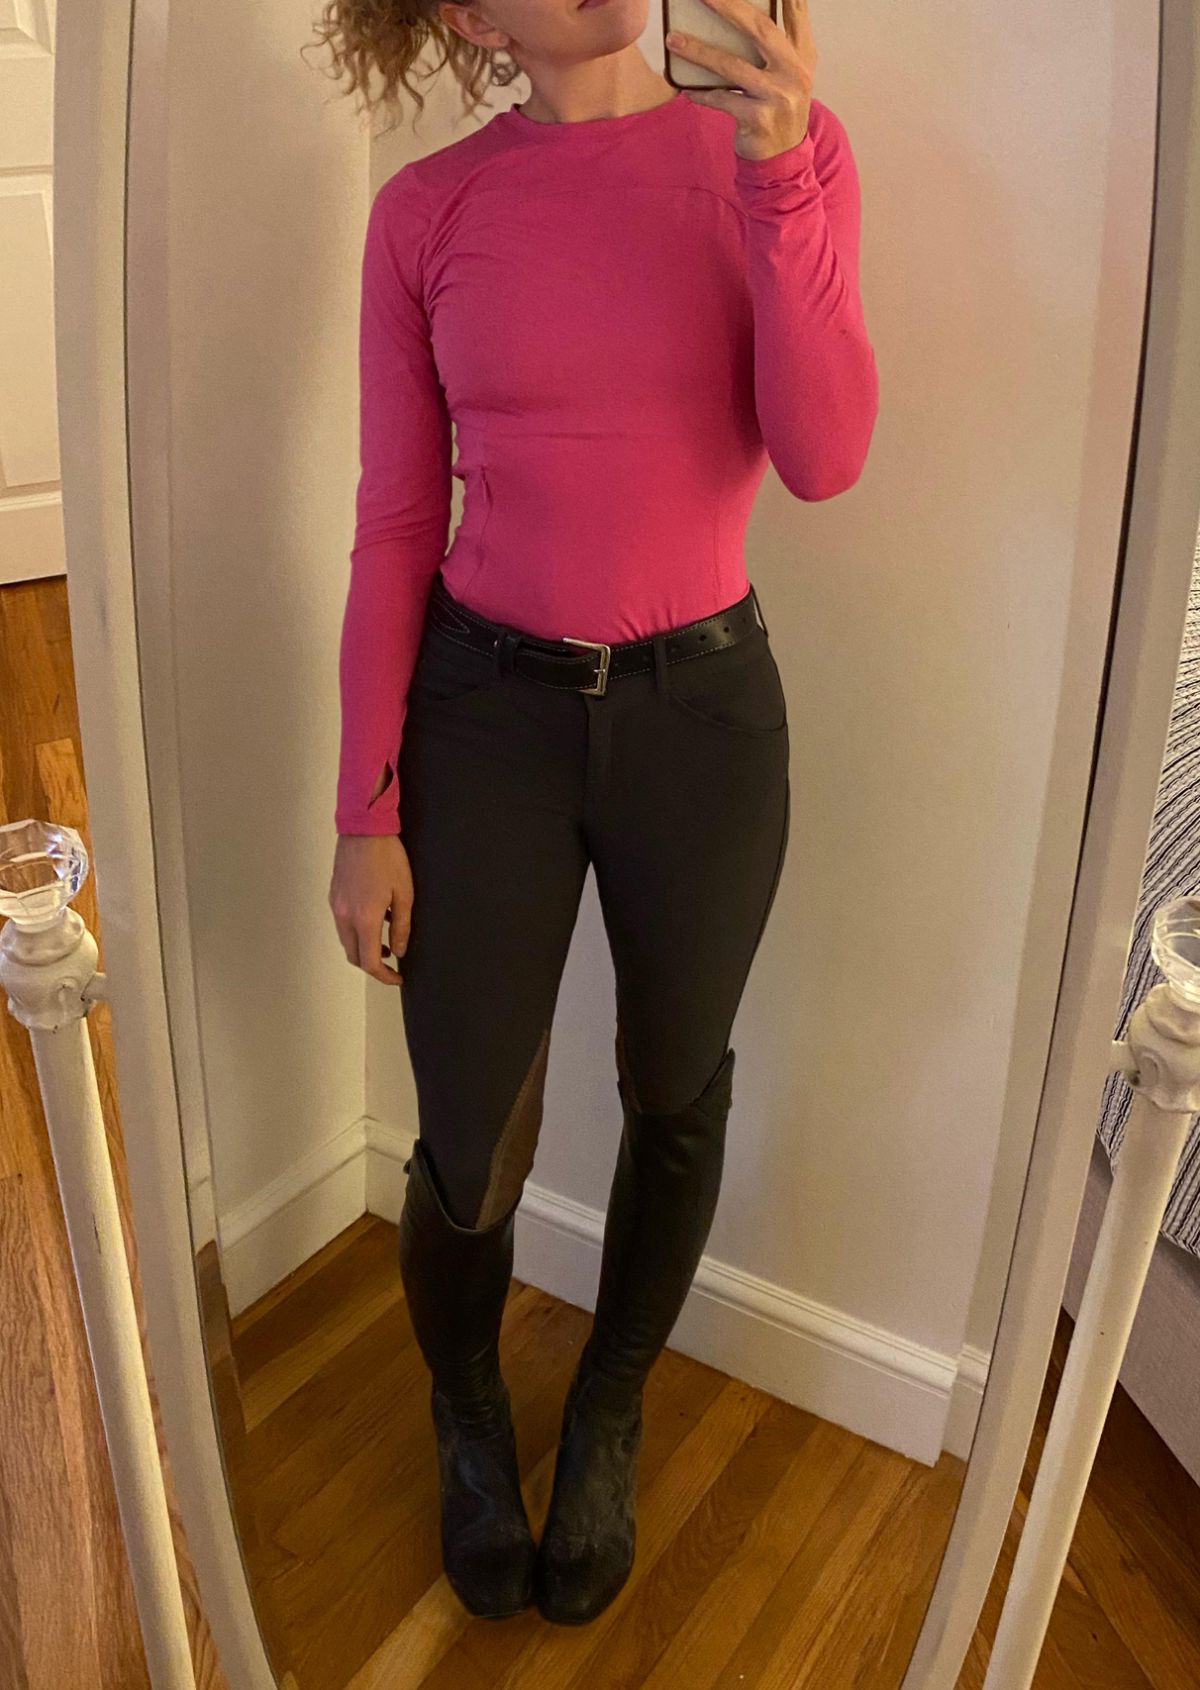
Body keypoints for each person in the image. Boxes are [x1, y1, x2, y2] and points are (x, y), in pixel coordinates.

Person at [323, 0, 877, 1627]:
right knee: (466, 1127)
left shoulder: (779, 151)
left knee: (677, 1088)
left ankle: (611, 1405)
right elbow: (394, 520)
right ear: (466, 13)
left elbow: (828, 456)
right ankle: (469, 1410)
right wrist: (364, 805)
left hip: (702, 719)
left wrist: (781, 168)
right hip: (481, 714)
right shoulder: (426, 211)